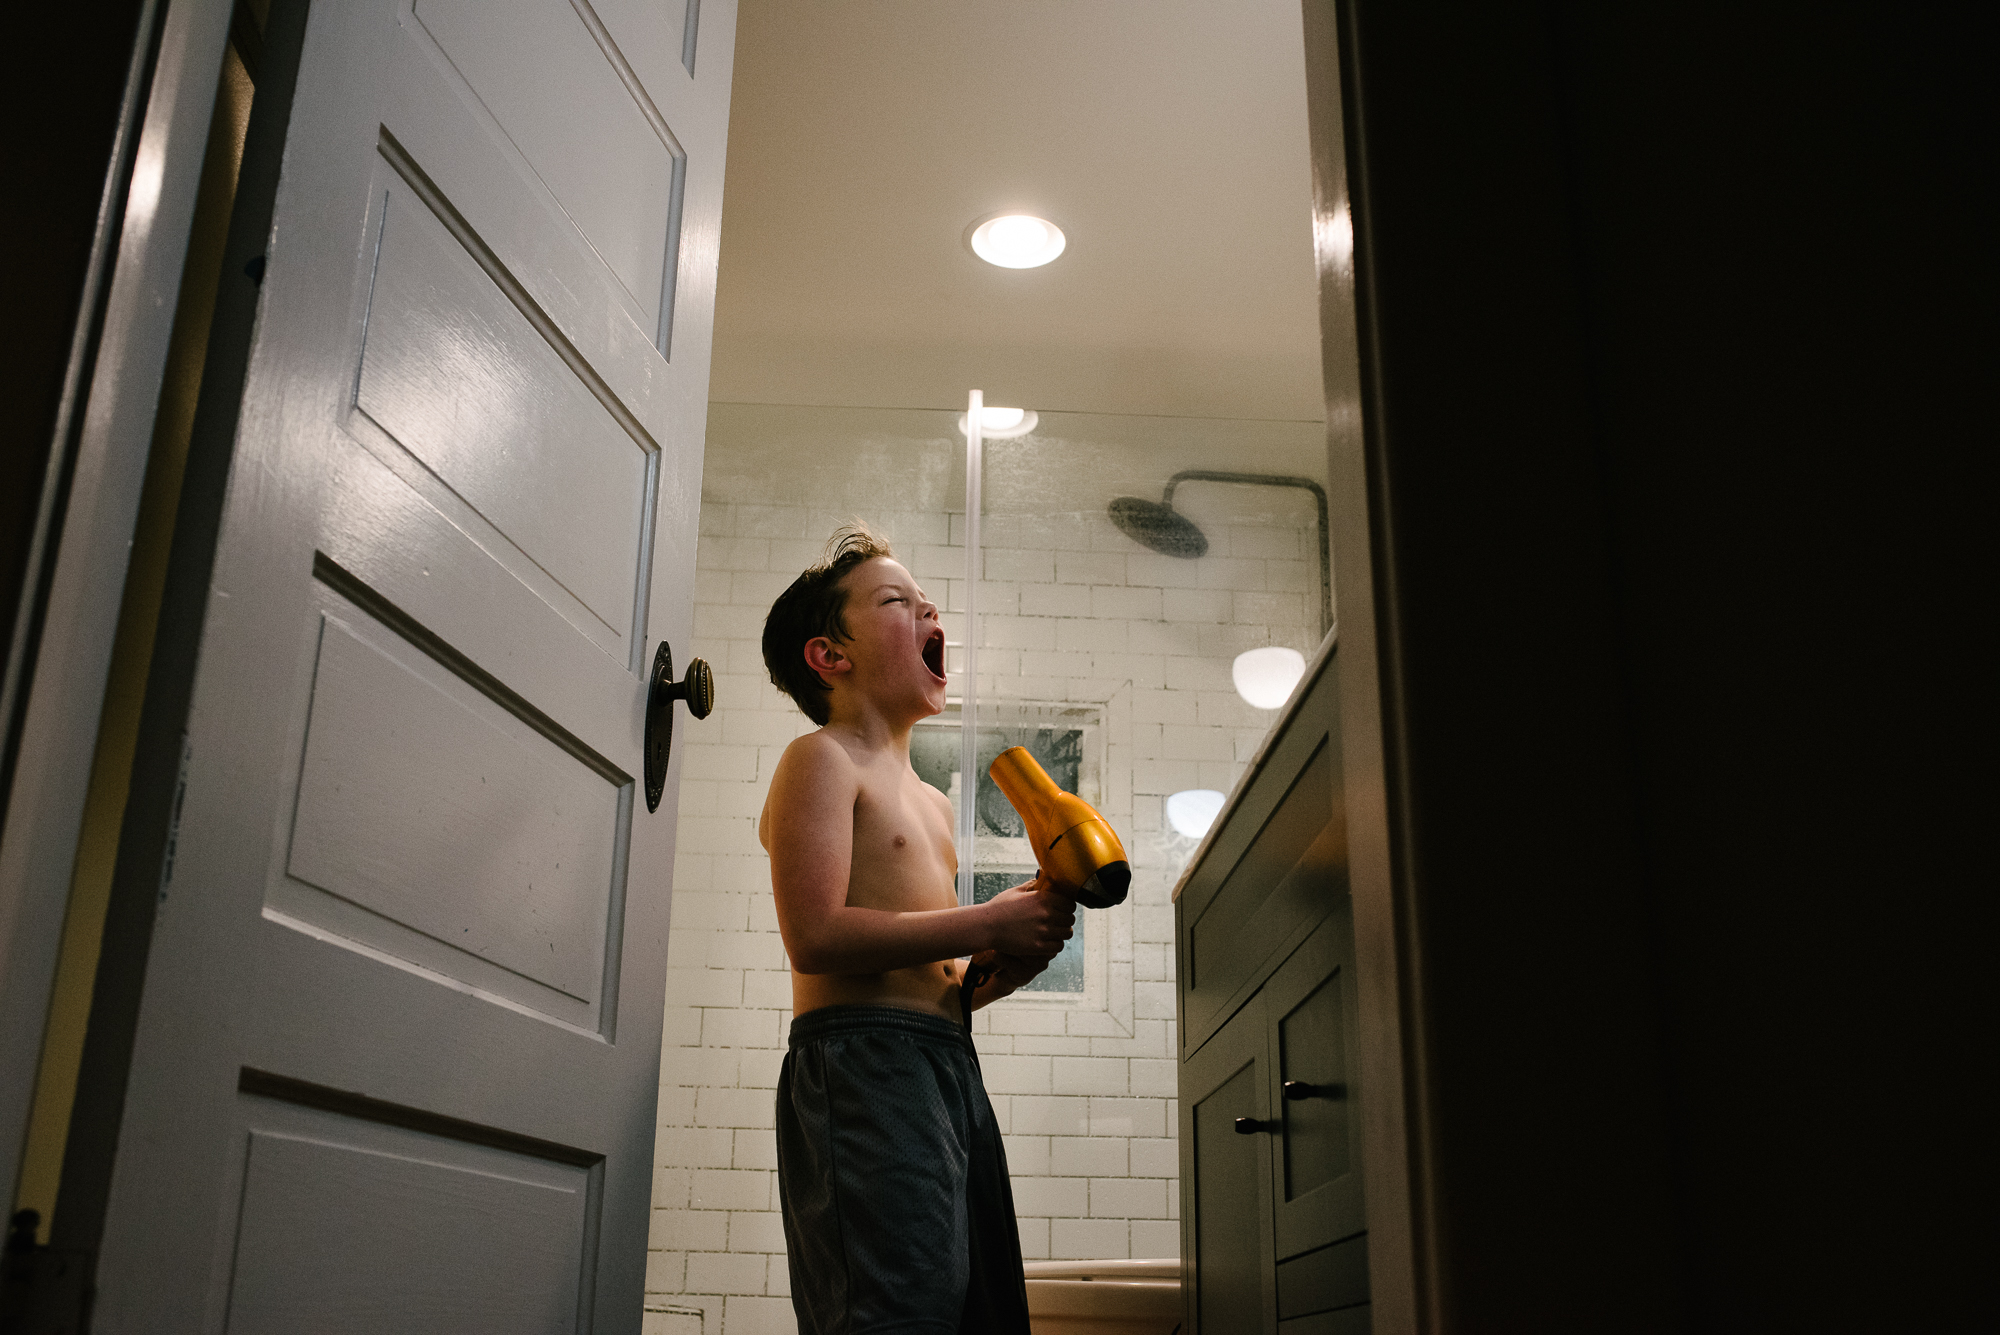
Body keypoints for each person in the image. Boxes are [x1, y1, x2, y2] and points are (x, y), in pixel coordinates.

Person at [759, 524, 1073, 1335]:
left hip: (947, 1061)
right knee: (896, 1309)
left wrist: (995, 966)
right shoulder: (820, 759)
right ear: (830, 655)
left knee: (976, 1306)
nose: (930, 608)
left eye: (927, 600)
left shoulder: (933, 802)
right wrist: (993, 915)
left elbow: (931, 969)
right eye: (899, 601)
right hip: (865, 1061)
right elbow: (818, 936)